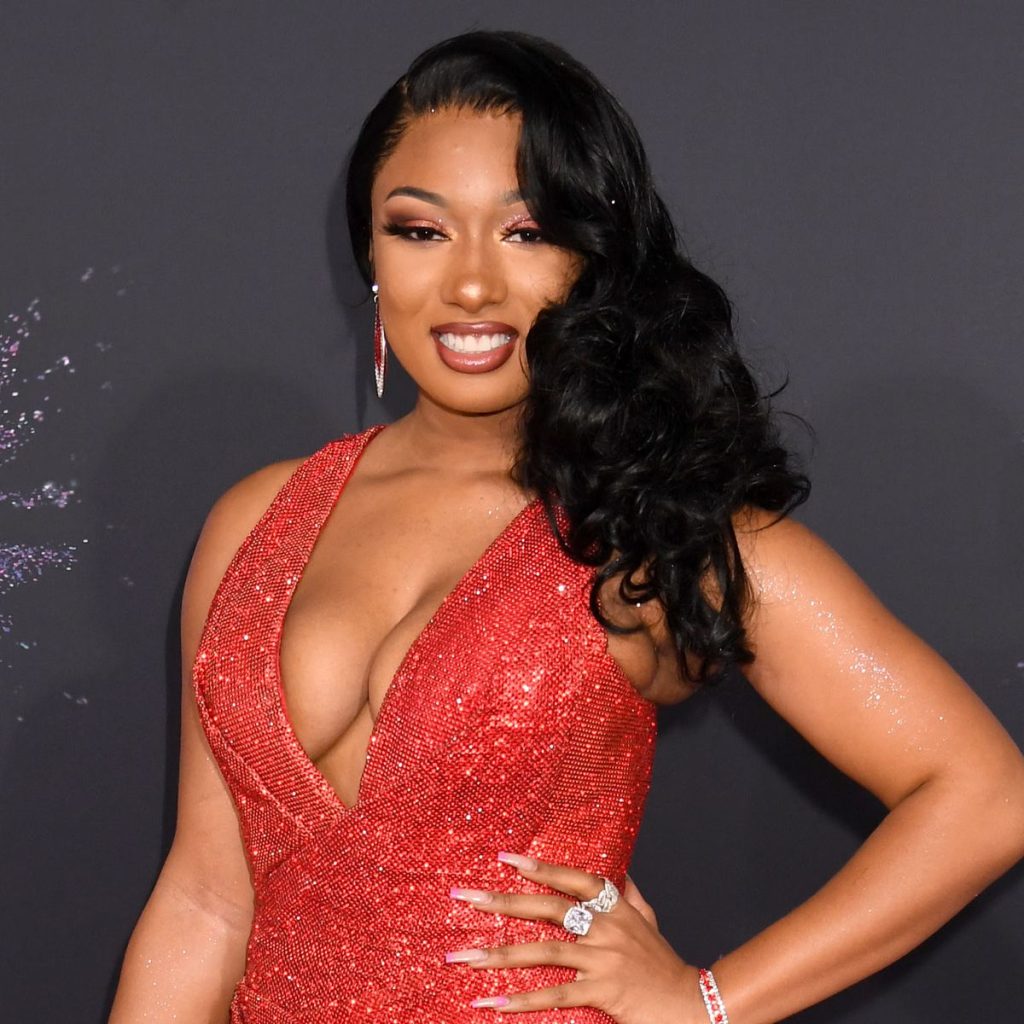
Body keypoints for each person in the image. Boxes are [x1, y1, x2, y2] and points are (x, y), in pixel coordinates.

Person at [109, 29, 1024, 1024]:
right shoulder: (256, 519)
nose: (470, 285)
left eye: (526, 232)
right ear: (369, 251)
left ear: (595, 257)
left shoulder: (652, 525)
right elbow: (206, 901)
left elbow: (986, 796)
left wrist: (707, 1004)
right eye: (420, 230)